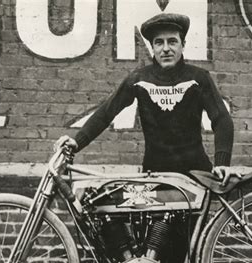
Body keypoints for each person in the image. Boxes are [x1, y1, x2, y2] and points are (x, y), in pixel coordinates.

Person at [55, 12, 239, 184]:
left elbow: (221, 119)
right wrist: (77, 142)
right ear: (152, 47)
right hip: (155, 175)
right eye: (159, 42)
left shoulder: (198, 78)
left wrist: (222, 163)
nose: (166, 49)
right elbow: (106, 113)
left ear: (183, 44)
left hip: (196, 174)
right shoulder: (139, 79)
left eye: (172, 41)